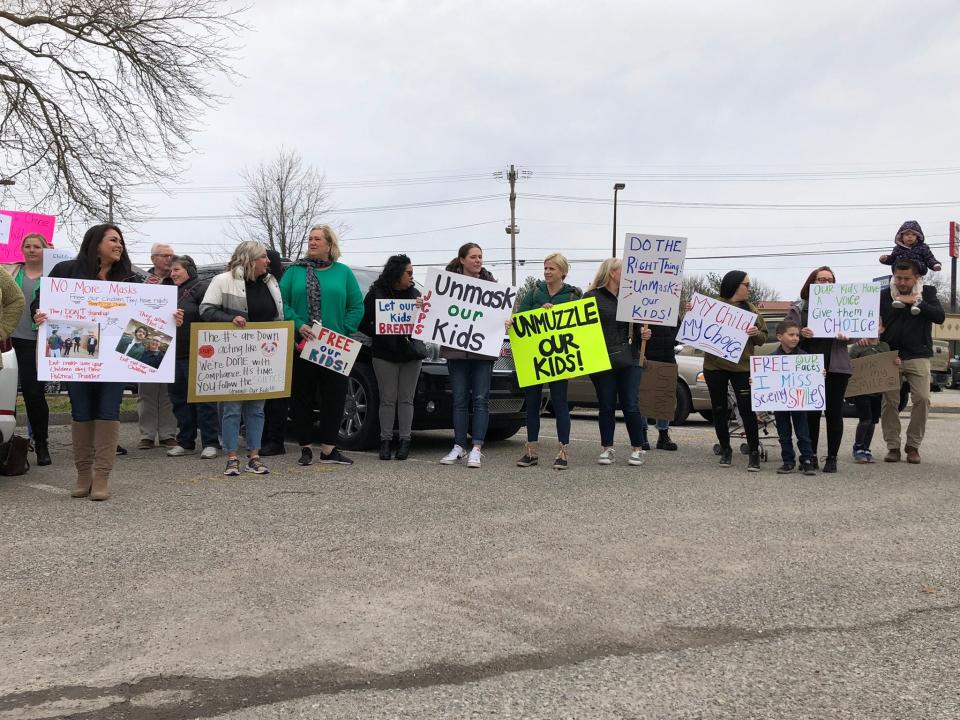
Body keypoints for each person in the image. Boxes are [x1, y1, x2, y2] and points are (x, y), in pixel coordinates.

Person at [34, 223, 182, 501]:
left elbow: (149, 321)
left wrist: (170, 319)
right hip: (78, 357)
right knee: (80, 410)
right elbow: (39, 301)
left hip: (114, 361)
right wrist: (39, 314)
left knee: (108, 410)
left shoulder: (130, 279)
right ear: (96, 242)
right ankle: (82, 474)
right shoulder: (65, 271)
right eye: (113, 240)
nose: (119, 245)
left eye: (121, 241)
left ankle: (101, 476)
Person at [280, 224, 363, 467]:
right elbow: (281, 303)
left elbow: (356, 306)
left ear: (329, 244)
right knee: (302, 397)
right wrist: (298, 324)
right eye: (310, 239)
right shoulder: (294, 272)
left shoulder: (343, 272)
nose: (312, 243)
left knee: (335, 397)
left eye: (317, 239)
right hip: (301, 343)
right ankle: (305, 448)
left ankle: (329, 449)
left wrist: (341, 330)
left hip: (333, 347)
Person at [201, 241, 283, 476]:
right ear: (250, 260)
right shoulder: (223, 281)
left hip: (262, 353)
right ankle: (231, 456)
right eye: (263, 258)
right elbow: (206, 310)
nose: (268, 262)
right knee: (232, 407)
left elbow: (278, 317)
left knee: (257, 408)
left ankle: (254, 456)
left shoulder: (271, 282)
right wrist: (229, 319)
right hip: (234, 353)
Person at [508, 252, 581, 470]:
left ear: (563, 273)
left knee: (560, 405)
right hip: (534, 358)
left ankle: (563, 452)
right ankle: (531, 452)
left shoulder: (572, 297)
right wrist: (538, 312)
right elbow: (521, 319)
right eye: (546, 268)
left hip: (558, 359)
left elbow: (579, 330)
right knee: (532, 405)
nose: (547, 272)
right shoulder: (534, 293)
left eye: (552, 269)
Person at [583, 258, 651, 467]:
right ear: (612, 273)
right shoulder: (590, 297)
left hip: (629, 358)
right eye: (624, 270)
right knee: (606, 405)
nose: (628, 274)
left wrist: (645, 334)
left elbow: (641, 328)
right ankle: (607, 448)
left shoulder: (632, 297)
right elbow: (580, 329)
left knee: (631, 404)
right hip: (601, 360)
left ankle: (638, 449)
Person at [437, 243, 499, 469]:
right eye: (473, 257)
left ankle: (477, 448)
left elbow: (499, 315)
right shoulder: (447, 285)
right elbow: (435, 310)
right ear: (461, 259)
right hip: (456, 350)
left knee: (481, 400)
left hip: (482, 351)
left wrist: (505, 321)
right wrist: (425, 305)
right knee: (460, 399)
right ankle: (459, 445)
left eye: (480, 256)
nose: (478, 260)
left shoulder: (492, 287)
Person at [877, 258, 945, 464]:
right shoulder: (882, 295)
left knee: (923, 399)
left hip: (918, 354)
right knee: (890, 403)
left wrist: (917, 302)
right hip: (891, 354)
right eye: (898, 278)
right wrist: (872, 331)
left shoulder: (928, 292)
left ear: (916, 277)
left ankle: (913, 446)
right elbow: (869, 319)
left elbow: (939, 317)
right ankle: (893, 447)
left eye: (907, 278)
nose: (902, 282)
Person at [786, 266, 852, 474]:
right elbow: (786, 334)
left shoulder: (845, 304)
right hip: (808, 367)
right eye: (821, 280)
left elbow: (859, 332)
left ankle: (832, 458)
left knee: (834, 414)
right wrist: (800, 334)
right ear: (811, 283)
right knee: (810, 415)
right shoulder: (799, 307)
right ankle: (810, 455)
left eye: (829, 280)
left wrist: (847, 336)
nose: (826, 283)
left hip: (836, 367)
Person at [702, 270, 768, 472]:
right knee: (719, 409)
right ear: (734, 285)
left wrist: (756, 333)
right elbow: (696, 328)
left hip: (742, 367)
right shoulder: (712, 306)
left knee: (747, 410)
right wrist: (692, 311)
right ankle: (725, 449)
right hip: (714, 366)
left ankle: (754, 453)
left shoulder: (752, 311)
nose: (749, 288)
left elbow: (763, 338)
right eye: (746, 284)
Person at [360, 254, 423, 461]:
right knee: (387, 399)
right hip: (384, 354)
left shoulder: (416, 295)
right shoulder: (376, 295)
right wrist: (379, 334)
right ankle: (385, 441)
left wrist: (424, 310)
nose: (412, 277)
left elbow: (426, 324)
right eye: (409, 273)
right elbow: (362, 322)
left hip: (410, 355)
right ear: (397, 273)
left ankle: (405, 441)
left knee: (406, 399)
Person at [166, 255, 219, 459]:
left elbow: (209, 314)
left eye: (177, 269)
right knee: (179, 400)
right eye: (171, 271)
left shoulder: (201, 287)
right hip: (174, 354)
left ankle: (210, 442)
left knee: (204, 400)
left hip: (198, 354)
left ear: (189, 269)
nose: (173, 274)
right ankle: (185, 441)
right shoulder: (170, 291)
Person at [7, 232, 51, 465]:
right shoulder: (11, 271)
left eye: (37, 246)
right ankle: (9, 443)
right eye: (28, 246)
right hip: (9, 339)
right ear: (22, 249)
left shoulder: (53, 275)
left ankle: (41, 443)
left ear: (45, 250)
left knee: (34, 394)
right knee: (7, 395)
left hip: (35, 343)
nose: (32, 250)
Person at [136, 242, 178, 449]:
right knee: (147, 391)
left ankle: (168, 433)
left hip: (172, 336)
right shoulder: (142, 280)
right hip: (147, 337)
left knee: (169, 391)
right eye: (164, 255)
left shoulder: (178, 279)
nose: (169, 259)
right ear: (153, 259)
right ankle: (147, 434)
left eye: (171, 255)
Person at [769, 320, 816, 475]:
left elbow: (813, 377)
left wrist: (818, 374)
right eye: (791, 335)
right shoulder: (771, 358)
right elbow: (765, 379)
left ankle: (807, 460)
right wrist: (754, 381)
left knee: (803, 432)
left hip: (799, 402)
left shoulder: (805, 357)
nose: (795, 338)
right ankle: (788, 461)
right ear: (780, 337)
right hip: (780, 402)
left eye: (797, 335)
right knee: (784, 433)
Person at [849, 328, 898, 464]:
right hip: (862, 390)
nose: (872, 329)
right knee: (865, 419)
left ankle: (866, 447)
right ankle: (858, 447)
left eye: (876, 325)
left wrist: (896, 362)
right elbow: (849, 362)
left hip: (877, 391)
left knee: (873, 421)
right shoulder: (858, 346)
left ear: (882, 329)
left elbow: (888, 364)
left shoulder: (884, 346)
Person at [259, 249, 289, 457]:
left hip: (280, 343)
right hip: (259, 343)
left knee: (276, 397)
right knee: (263, 396)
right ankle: (262, 437)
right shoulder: (253, 284)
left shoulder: (279, 285)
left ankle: (274, 439)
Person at [637, 323, 679, 452]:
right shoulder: (641, 307)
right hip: (646, 356)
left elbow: (679, 334)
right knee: (643, 397)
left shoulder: (671, 311)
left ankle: (663, 434)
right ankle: (642, 433)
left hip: (667, 358)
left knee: (665, 397)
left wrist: (670, 340)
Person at [879, 222, 942, 305]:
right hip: (899, 272)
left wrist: (935, 265)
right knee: (893, 284)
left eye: (913, 234)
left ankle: (916, 303)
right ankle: (897, 300)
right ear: (901, 236)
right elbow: (892, 259)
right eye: (907, 234)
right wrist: (885, 259)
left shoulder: (922, 247)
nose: (910, 236)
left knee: (917, 288)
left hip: (916, 273)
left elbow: (929, 258)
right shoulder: (897, 249)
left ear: (917, 237)